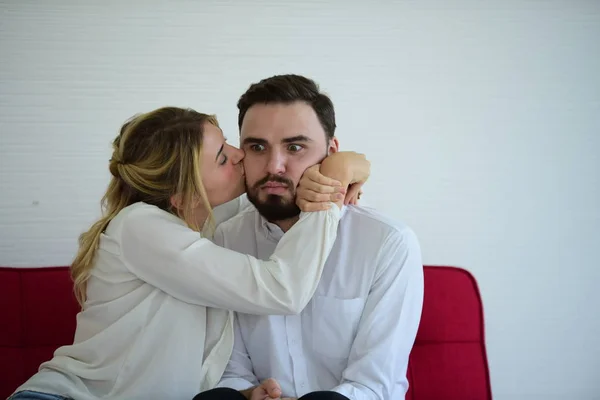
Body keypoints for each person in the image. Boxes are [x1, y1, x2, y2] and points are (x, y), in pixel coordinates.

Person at [8, 107, 371, 400]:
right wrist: (331, 189)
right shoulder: (141, 226)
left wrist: (345, 164)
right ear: (185, 195)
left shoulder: (207, 223)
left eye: (228, 143)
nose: (239, 154)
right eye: (221, 158)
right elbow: (282, 290)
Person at [197, 75, 424, 400]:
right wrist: (248, 393)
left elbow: (374, 385)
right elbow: (229, 369)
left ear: (332, 153)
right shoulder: (226, 238)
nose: (274, 166)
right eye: (257, 147)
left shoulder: (386, 243)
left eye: (295, 147)